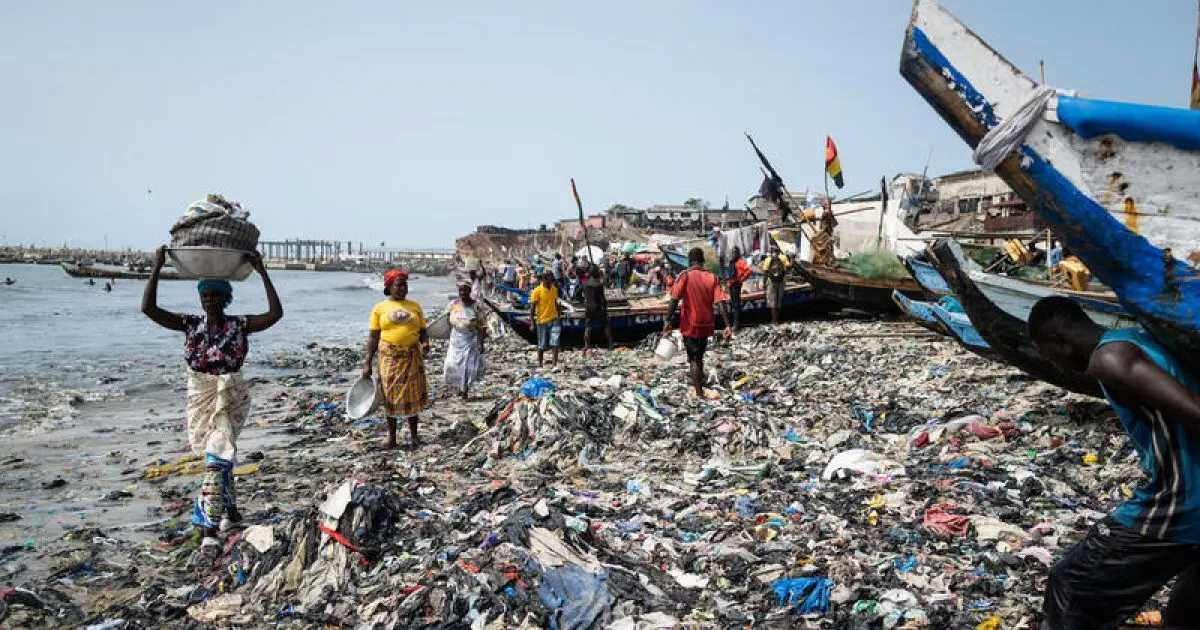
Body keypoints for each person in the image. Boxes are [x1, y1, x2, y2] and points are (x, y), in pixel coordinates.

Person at [1029, 296, 1200, 629]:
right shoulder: (1137, 340)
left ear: (1058, 342)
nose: (1053, 365)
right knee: (1187, 608)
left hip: (1182, 504)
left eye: (1046, 355)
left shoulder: (1110, 358)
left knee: (1071, 589)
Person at [140, 245, 282, 567]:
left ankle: (207, 529)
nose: (211, 302)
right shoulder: (190, 325)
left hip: (230, 394)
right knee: (220, 451)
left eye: (217, 297)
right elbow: (149, 308)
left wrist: (262, 271)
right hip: (201, 394)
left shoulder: (240, 325)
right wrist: (157, 267)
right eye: (206, 298)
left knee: (216, 455)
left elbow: (275, 314)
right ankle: (230, 512)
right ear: (201, 300)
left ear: (226, 299)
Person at [363, 269, 430, 450]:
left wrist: (425, 343)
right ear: (389, 287)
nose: (402, 288)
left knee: (413, 394)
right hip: (389, 357)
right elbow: (373, 337)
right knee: (389, 395)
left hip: (411, 356)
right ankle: (392, 437)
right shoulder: (379, 308)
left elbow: (423, 330)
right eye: (398, 285)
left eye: (405, 285)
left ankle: (414, 436)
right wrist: (367, 361)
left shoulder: (415, 306)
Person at [663, 248, 731, 398]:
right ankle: (699, 384)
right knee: (699, 356)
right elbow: (721, 303)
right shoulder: (712, 277)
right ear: (702, 261)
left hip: (690, 324)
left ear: (689, 261)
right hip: (707, 324)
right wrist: (727, 325)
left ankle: (699, 392)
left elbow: (674, 300)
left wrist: (667, 321)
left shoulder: (685, 276)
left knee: (693, 358)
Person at [443, 281, 487, 400]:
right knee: (451, 364)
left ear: (469, 291)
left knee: (467, 367)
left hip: (470, 339)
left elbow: (482, 325)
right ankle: (457, 387)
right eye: (460, 290)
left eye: (465, 290)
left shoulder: (475, 306)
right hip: (456, 339)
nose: (462, 292)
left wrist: (481, 343)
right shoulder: (454, 304)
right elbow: (447, 318)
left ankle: (465, 390)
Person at [529, 271, 561, 367]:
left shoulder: (554, 289)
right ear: (544, 280)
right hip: (542, 321)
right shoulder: (537, 291)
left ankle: (554, 365)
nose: (551, 282)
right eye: (550, 280)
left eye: (552, 280)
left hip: (554, 319)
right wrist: (532, 322)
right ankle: (540, 364)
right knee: (542, 345)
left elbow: (555, 303)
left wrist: (559, 314)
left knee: (555, 343)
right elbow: (532, 308)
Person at [583, 267, 612, 356]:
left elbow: (580, 295)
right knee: (606, 325)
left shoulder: (586, 284)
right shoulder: (598, 284)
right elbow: (602, 298)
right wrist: (605, 307)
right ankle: (610, 344)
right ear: (596, 273)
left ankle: (587, 345)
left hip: (588, 308)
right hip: (598, 308)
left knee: (588, 327)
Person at [761, 246, 790, 325]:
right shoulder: (783, 257)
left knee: (772, 301)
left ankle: (774, 320)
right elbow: (788, 266)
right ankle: (778, 319)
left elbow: (765, 273)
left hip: (771, 282)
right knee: (779, 300)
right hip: (781, 282)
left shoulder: (767, 259)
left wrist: (763, 284)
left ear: (771, 252)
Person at [727, 246, 752, 331]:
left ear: (738, 253)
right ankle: (735, 322)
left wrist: (741, 279)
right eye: (732, 252)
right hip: (731, 284)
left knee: (736, 305)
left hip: (736, 284)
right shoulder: (731, 262)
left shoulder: (740, 262)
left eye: (735, 252)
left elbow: (749, 271)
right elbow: (730, 274)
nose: (733, 254)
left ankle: (736, 324)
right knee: (734, 304)